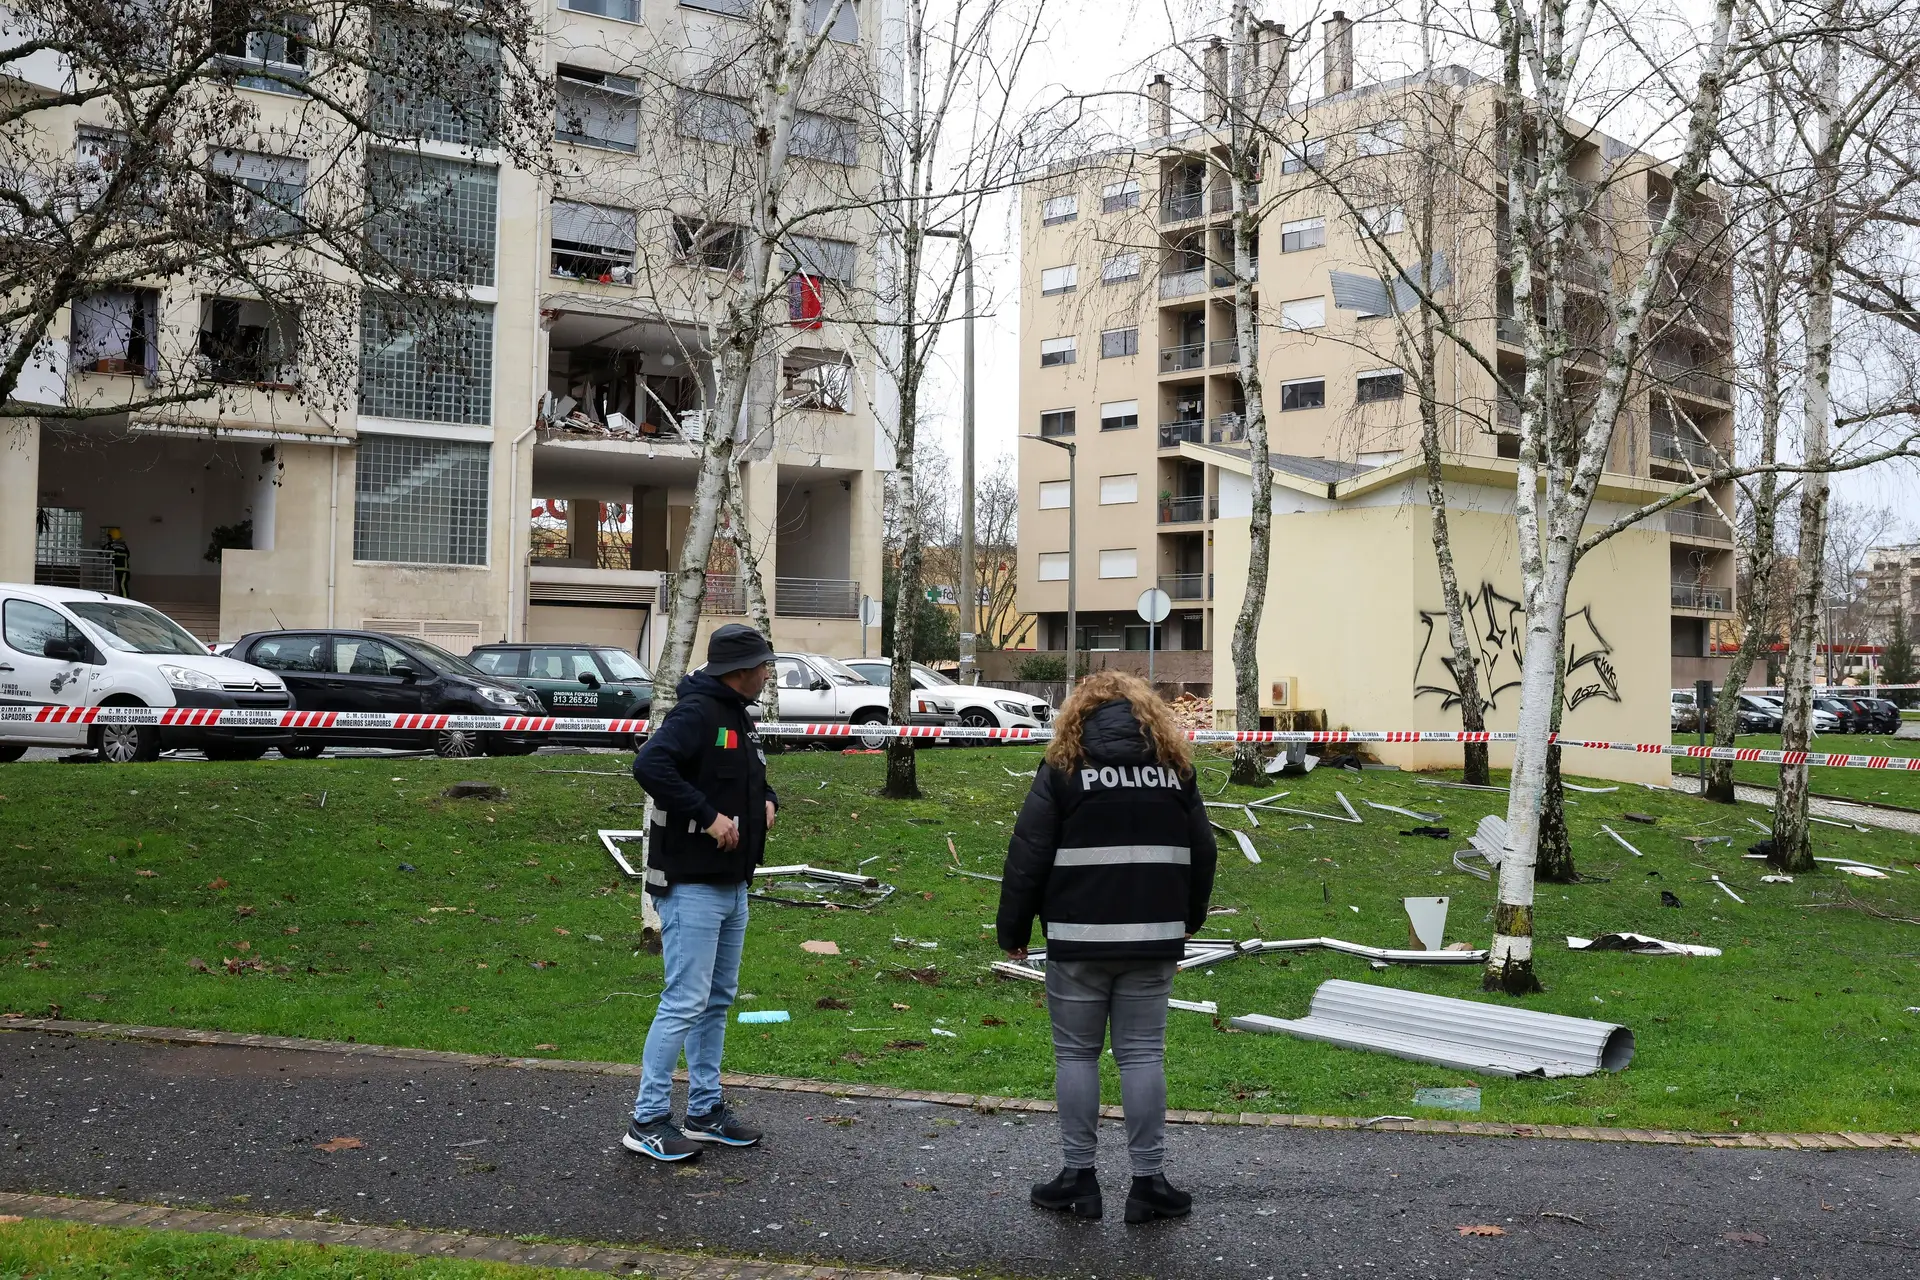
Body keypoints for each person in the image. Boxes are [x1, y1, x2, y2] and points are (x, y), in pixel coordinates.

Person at [997, 671, 1216, 1224]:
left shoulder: (1064, 770)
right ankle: (1149, 1184)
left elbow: (1028, 853)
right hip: (1153, 938)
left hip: (1078, 940)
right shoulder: (1175, 771)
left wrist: (1014, 931)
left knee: (1076, 1055)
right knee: (1143, 1055)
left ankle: (1078, 1179)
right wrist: (1186, 920)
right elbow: (1203, 850)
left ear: (1079, 716)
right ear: (1149, 716)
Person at [623, 623, 779, 1162]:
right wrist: (709, 817)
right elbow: (649, 764)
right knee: (684, 1001)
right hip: (691, 884)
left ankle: (705, 1110)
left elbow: (747, 774)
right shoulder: (696, 713)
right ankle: (647, 1120)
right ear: (739, 671)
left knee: (716, 1000)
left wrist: (768, 800)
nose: (767, 674)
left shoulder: (738, 716)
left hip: (731, 883)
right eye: (762, 666)